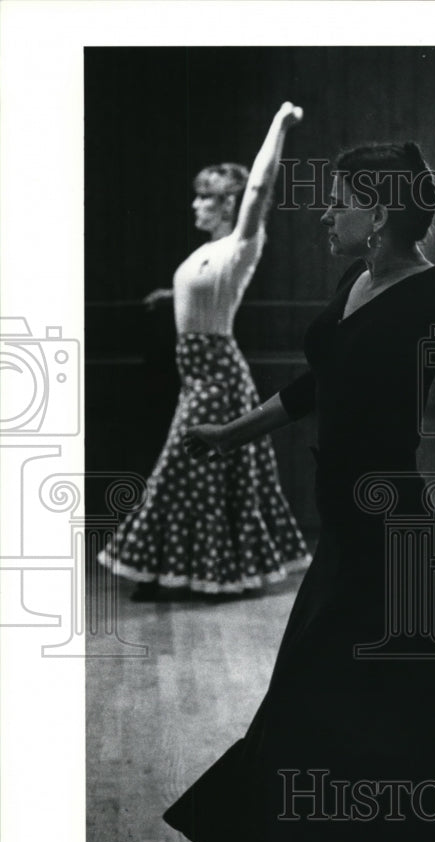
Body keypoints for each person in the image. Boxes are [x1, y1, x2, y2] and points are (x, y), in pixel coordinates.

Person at [141, 69, 435, 842]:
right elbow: (311, 386)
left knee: (328, 701)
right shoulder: (354, 288)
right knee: (379, 707)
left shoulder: (431, 288)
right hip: (351, 531)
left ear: (381, 211)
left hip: (393, 538)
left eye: (339, 203)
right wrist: (227, 436)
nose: (327, 215)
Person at [98, 102, 311, 599]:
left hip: (217, 375)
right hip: (198, 374)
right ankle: (177, 571)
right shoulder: (203, 254)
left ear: (228, 202)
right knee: (194, 469)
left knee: (186, 463)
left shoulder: (242, 243)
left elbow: (260, 188)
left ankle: (193, 575)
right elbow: (202, 293)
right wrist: (169, 297)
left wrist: (279, 125)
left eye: (204, 198)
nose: (194, 205)